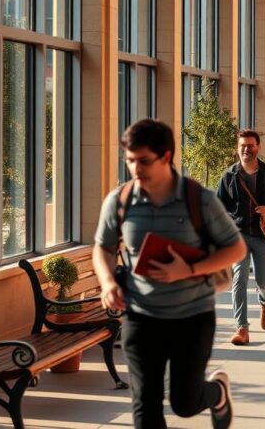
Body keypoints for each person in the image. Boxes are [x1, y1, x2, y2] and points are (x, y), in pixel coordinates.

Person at [93, 119, 246, 429]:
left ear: (165, 157)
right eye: (130, 160)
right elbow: (103, 248)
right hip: (140, 317)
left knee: (185, 403)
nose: (136, 168)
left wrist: (188, 270)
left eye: (144, 161)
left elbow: (236, 249)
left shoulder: (199, 200)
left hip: (192, 317)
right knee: (145, 410)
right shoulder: (119, 201)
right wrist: (108, 283)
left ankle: (215, 392)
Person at [216, 130, 265, 346]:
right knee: (238, 280)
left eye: (250, 145)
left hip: (262, 235)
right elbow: (219, 206)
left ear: (258, 147)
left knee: (263, 280)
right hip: (238, 235)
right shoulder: (229, 175)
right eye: (243, 146)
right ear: (237, 148)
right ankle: (242, 328)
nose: (246, 149)